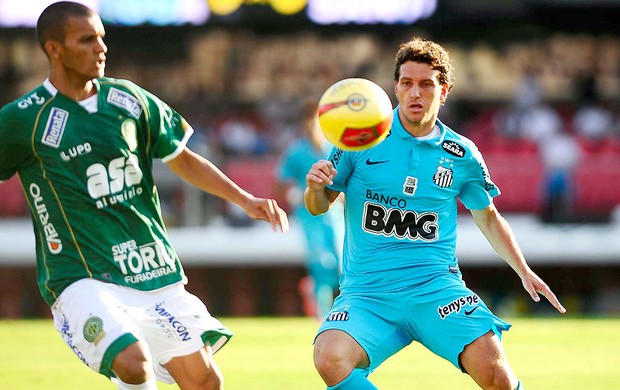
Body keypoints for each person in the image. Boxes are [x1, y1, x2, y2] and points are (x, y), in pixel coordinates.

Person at [0, 2, 288, 390]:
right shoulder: (23, 119)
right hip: (82, 276)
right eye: (86, 40)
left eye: (101, 37)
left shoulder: (128, 99)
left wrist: (244, 199)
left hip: (151, 270)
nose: (101, 47)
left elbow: (181, 158)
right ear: (54, 49)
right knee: (133, 362)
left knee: (205, 382)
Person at [304, 36, 566, 390]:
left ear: (444, 91)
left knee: (497, 377)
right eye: (407, 83)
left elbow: (487, 216)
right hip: (368, 294)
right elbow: (319, 207)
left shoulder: (462, 154)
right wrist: (315, 188)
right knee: (329, 357)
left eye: (426, 84)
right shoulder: (358, 139)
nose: (415, 93)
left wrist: (523, 270)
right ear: (395, 88)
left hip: (436, 291)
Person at [274, 99, 343, 318]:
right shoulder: (296, 152)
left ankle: (341, 312)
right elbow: (280, 182)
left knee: (341, 263)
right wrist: (293, 194)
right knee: (320, 262)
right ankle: (322, 315)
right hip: (310, 216)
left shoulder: (334, 149)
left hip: (336, 215)